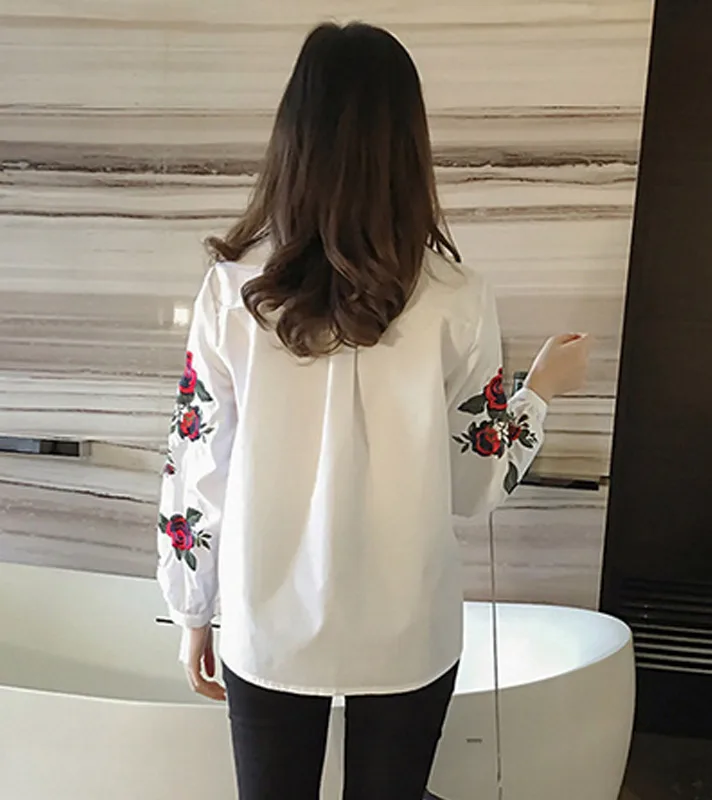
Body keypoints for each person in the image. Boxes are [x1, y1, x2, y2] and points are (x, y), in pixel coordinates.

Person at [156, 21, 589, 800]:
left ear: (293, 139)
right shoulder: (458, 299)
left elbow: (198, 469)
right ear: (408, 146)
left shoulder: (232, 294)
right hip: (407, 628)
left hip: (267, 622)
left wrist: (194, 610)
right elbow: (475, 484)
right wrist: (540, 394)